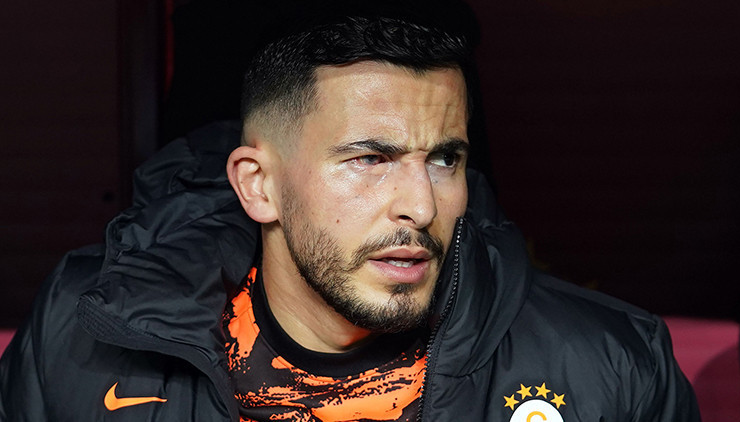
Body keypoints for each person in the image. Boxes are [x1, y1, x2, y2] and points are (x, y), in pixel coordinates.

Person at [0, 3, 699, 421]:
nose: (420, 206)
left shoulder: (610, 364)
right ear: (258, 186)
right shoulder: (79, 333)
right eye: (369, 159)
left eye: (444, 159)